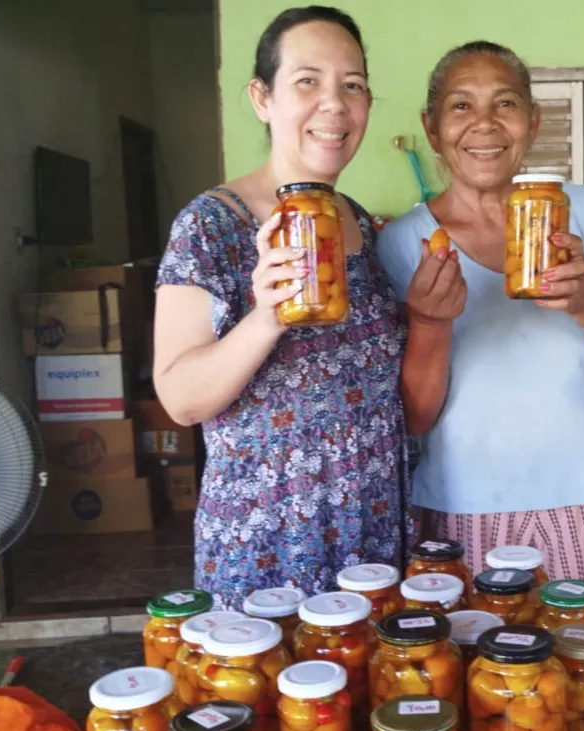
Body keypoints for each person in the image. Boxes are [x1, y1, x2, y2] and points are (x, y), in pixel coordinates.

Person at [377, 41, 584, 616]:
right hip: (463, 499)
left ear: (532, 122)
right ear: (432, 128)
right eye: (461, 106)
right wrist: (430, 321)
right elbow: (414, 417)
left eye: (505, 103)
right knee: (480, 659)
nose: (485, 124)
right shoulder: (404, 243)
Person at [153, 6, 410, 610]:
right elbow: (181, 398)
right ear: (262, 98)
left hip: (371, 537)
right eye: (307, 81)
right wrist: (267, 316)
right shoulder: (211, 227)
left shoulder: (365, 226)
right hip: (268, 543)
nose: (334, 105)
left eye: (353, 85)